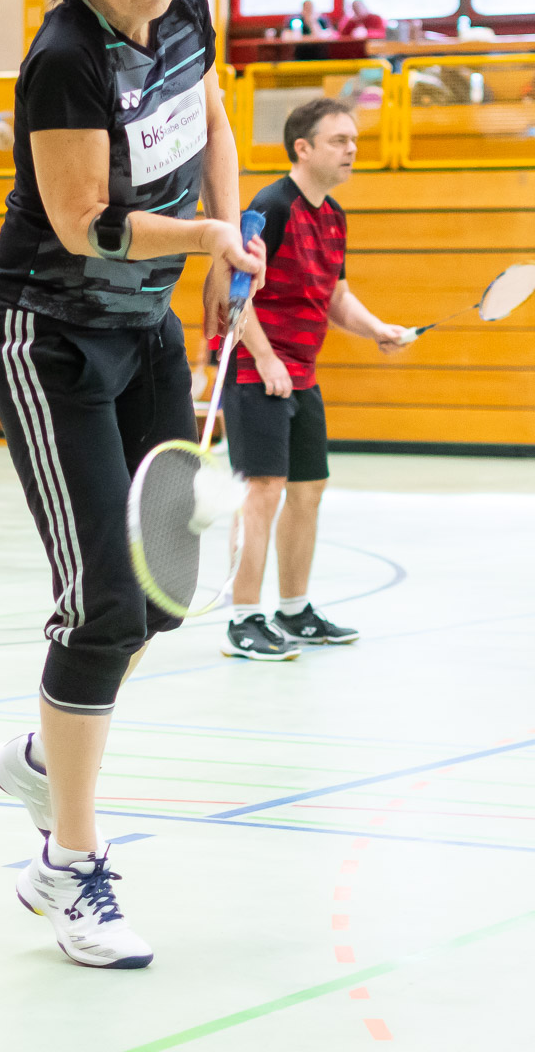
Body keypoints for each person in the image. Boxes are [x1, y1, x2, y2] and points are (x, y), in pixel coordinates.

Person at [0, 0, 264, 970]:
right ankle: (68, 865)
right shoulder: (63, 59)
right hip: (49, 338)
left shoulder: (186, 6)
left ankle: (46, 757)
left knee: (159, 594)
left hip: (146, 328)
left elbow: (212, 118)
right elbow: (84, 222)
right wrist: (199, 234)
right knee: (101, 604)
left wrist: (225, 245)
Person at [221, 98, 411, 661]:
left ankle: (294, 609)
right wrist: (266, 358)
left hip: (301, 373)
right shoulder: (271, 207)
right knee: (263, 490)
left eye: (353, 140)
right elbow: (235, 292)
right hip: (257, 370)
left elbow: (335, 297)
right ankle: (243, 620)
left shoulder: (333, 216)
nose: (352, 149)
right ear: (302, 148)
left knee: (308, 490)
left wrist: (377, 329)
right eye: (338, 140)